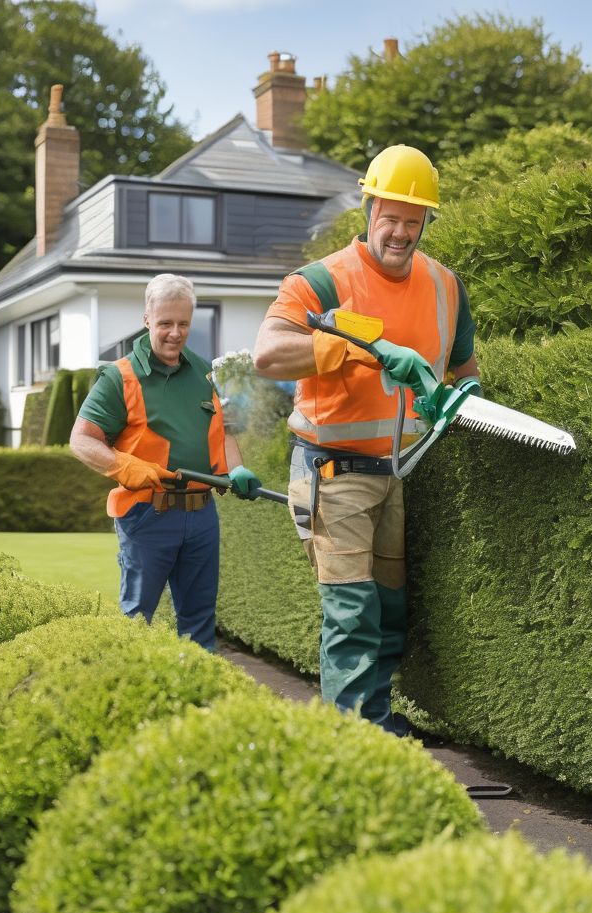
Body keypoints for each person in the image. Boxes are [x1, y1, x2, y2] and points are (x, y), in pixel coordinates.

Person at [253, 144, 480, 734]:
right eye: (390, 217)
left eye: (413, 220)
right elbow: (269, 353)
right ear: (369, 207)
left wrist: (454, 396)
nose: (400, 233)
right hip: (332, 471)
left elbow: (465, 370)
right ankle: (353, 738)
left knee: (390, 607)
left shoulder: (445, 287)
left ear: (427, 220)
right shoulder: (324, 282)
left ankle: (373, 717)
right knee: (352, 609)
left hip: (396, 472)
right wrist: (354, 349)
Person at [70, 273, 261, 651]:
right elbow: (81, 441)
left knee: (200, 623)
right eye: (165, 324)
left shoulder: (203, 372)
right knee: (136, 619)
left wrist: (235, 469)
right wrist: (127, 468)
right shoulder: (119, 377)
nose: (175, 333)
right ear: (146, 320)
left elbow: (223, 434)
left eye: (183, 323)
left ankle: (198, 703)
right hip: (147, 515)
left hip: (201, 515)